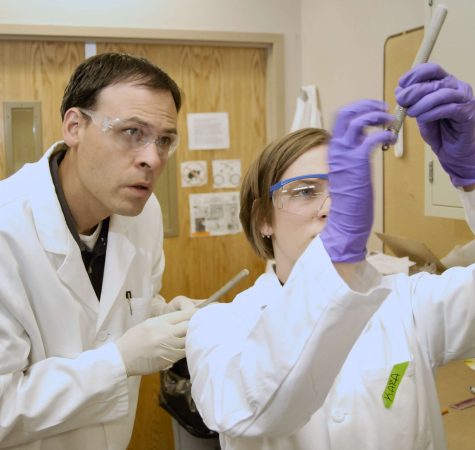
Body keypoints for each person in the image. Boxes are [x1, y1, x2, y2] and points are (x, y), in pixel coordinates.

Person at [186, 62, 475, 450]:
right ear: (263, 220)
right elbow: (253, 408)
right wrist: (337, 255)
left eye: (342, 186)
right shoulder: (219, 327)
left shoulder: (406, 302)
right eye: (305, 191)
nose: (329, 207)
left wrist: (472, 177)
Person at [0, 53, 199, 449]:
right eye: (131, 132)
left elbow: (116, 309)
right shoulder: (7, 229)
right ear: (75, 126)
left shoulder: (144, 213)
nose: (152, 158)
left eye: (164, 140)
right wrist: (119, 362)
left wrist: (162, 317)